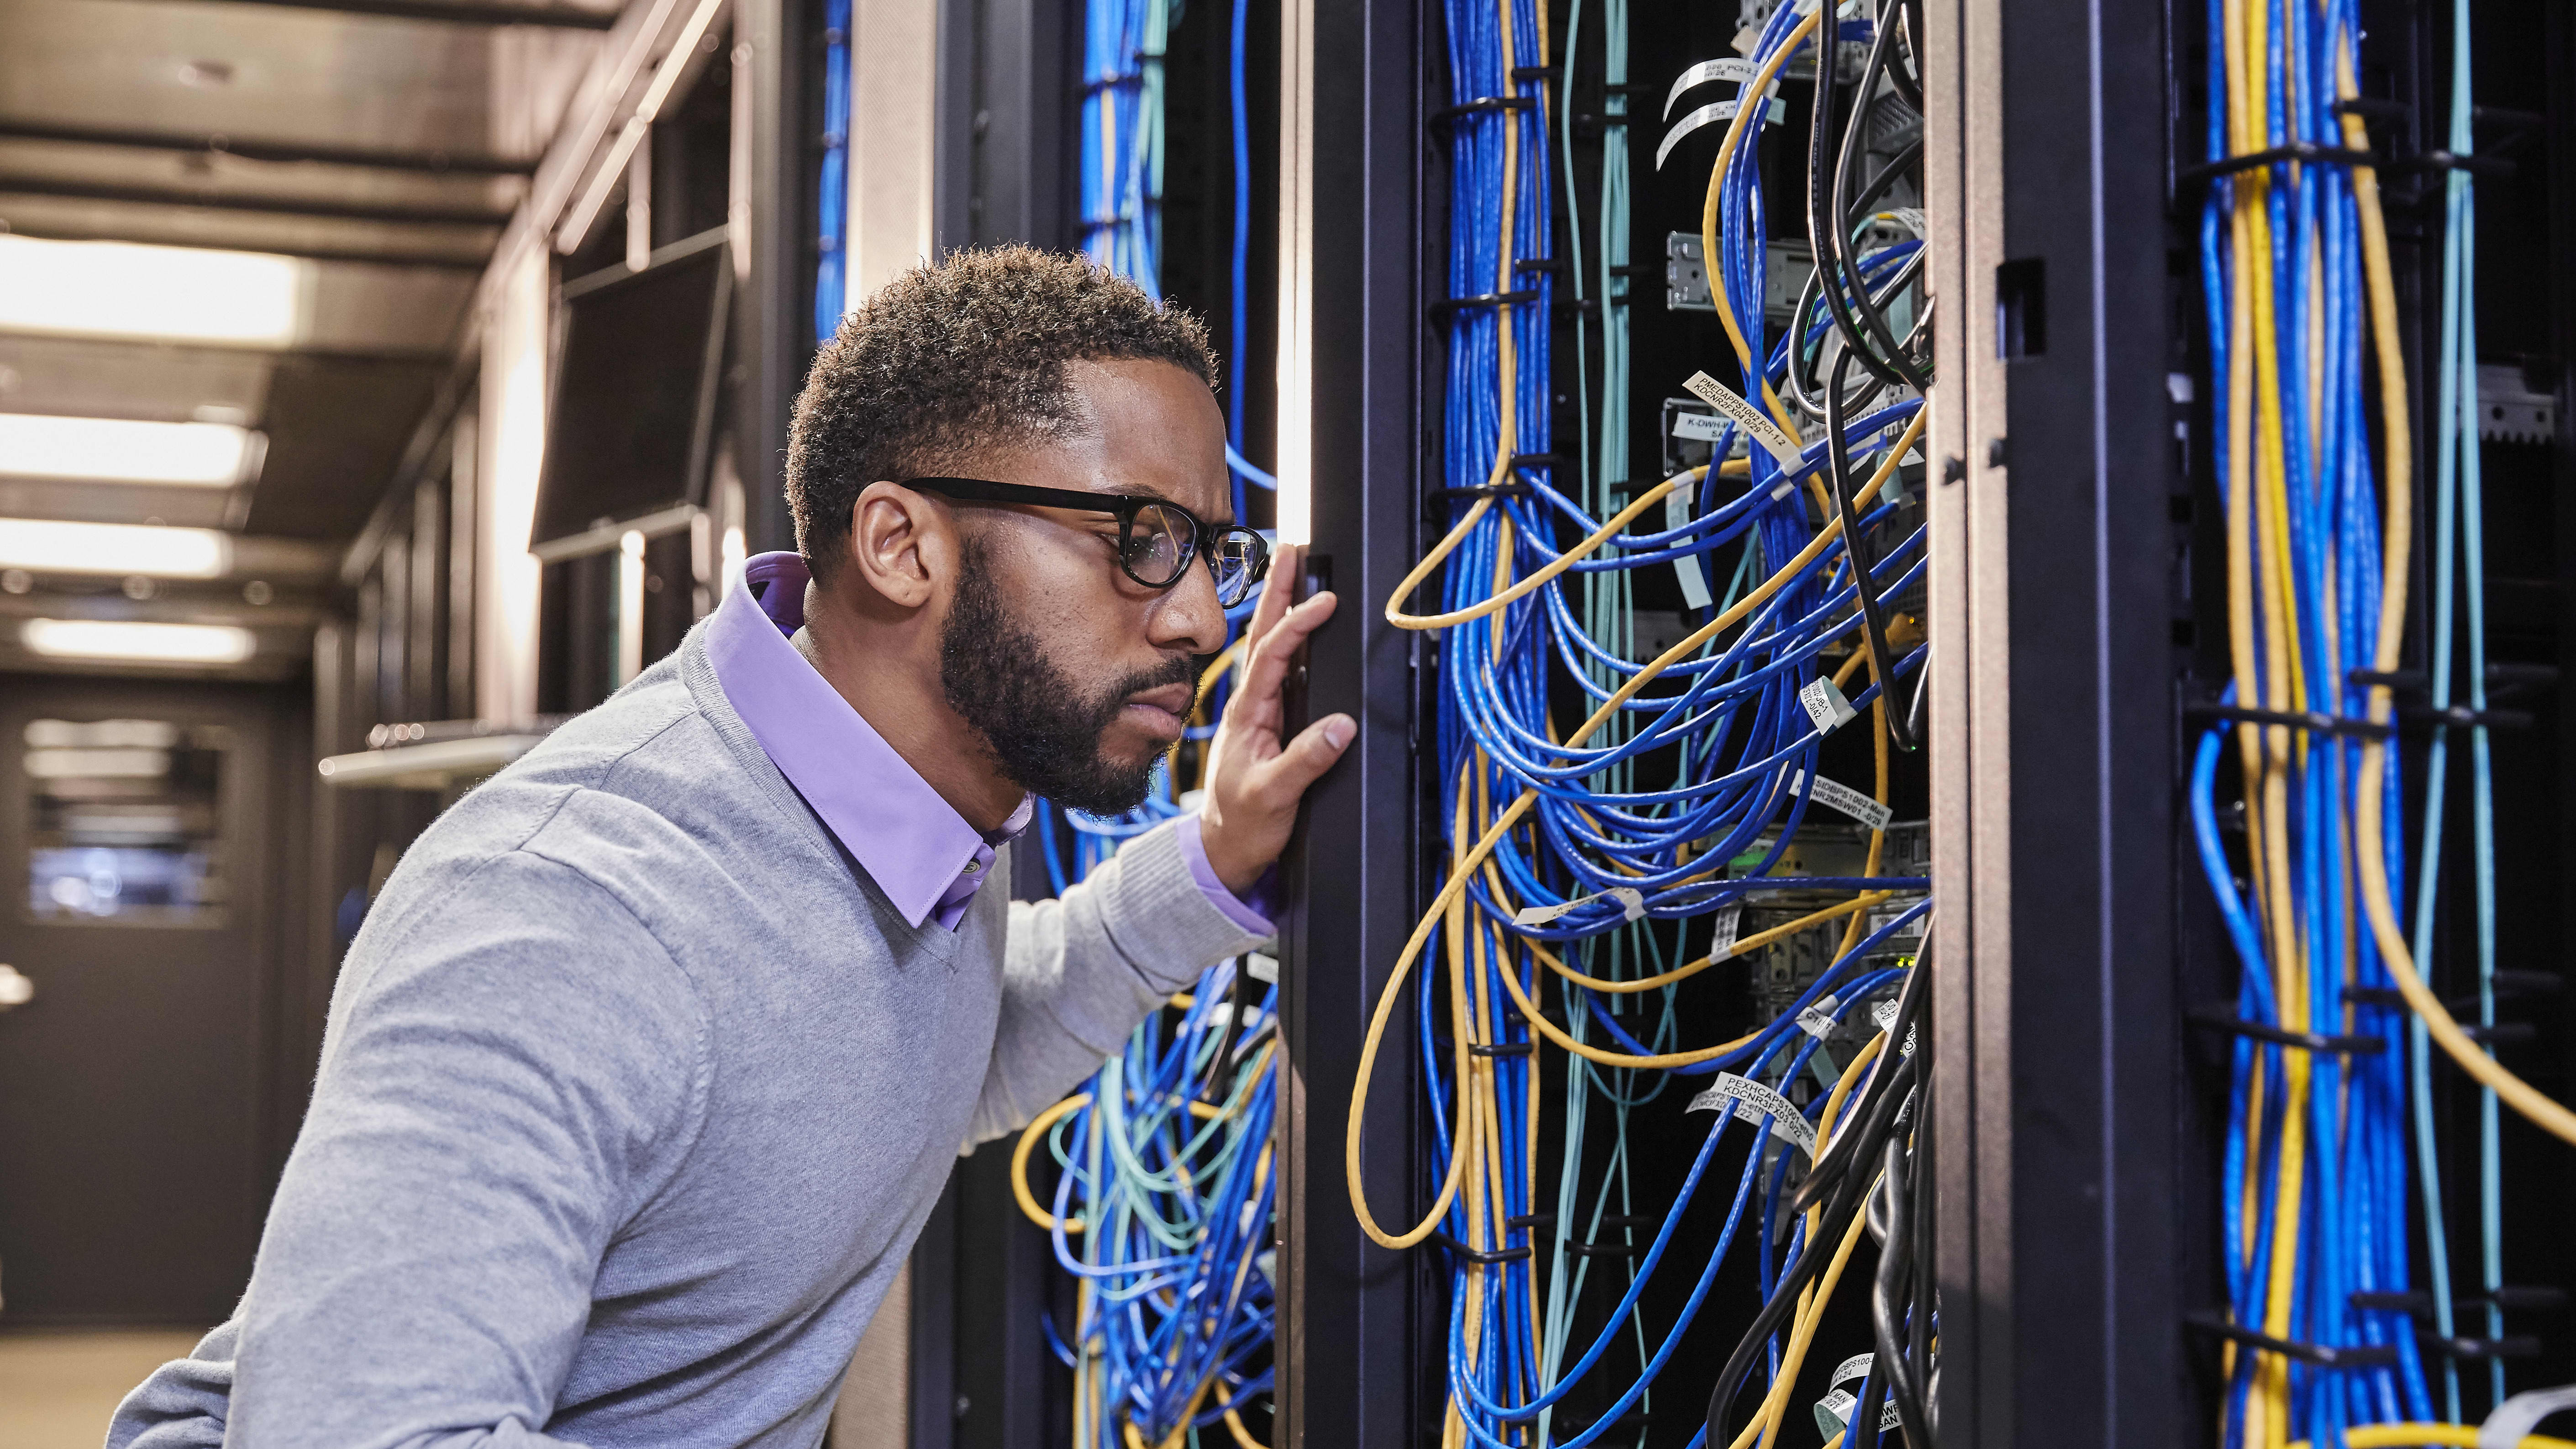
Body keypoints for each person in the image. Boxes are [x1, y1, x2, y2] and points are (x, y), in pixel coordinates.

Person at [110, 247, 1353, 1449]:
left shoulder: (916, 806)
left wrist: (1219, 853)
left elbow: (916, 1049)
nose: (1197, 617)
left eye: (1208, 554)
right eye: (1138, 537)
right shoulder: (564, 913)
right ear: (902, 545)